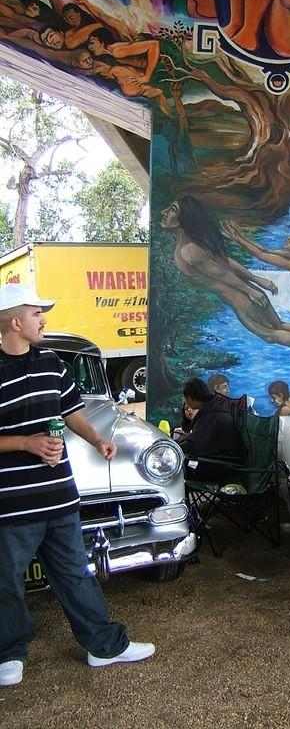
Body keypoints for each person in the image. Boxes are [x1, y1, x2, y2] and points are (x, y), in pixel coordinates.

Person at [0, 283, 154, 687]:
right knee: (5, 579)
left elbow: (72, 412)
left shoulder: (51, 362)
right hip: (13, 503)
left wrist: (98, 439)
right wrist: (24, 443)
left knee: (75, 573)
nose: (43, 319)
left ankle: (105, 646)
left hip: (59, 495)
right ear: (15, 322)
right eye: (36, 314)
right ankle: (9, 653)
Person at [160, 197, 290, 355]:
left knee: (269, 334)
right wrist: (256, 282)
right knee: (278, 325)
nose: (164, 212)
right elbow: (227, 262)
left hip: (242, 298)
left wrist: (250, 291)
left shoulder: (189, 251)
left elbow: (223, 273)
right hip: (249, 292)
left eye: (173, 209)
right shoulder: (195, 245)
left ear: (185, 217)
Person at [178, 377, 244, 462]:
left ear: (190, 397)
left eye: (186, 399)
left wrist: (173, 449)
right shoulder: (216, 406)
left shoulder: (210, 415)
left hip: (227, 463)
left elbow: (194, 445)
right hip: (229, 457)